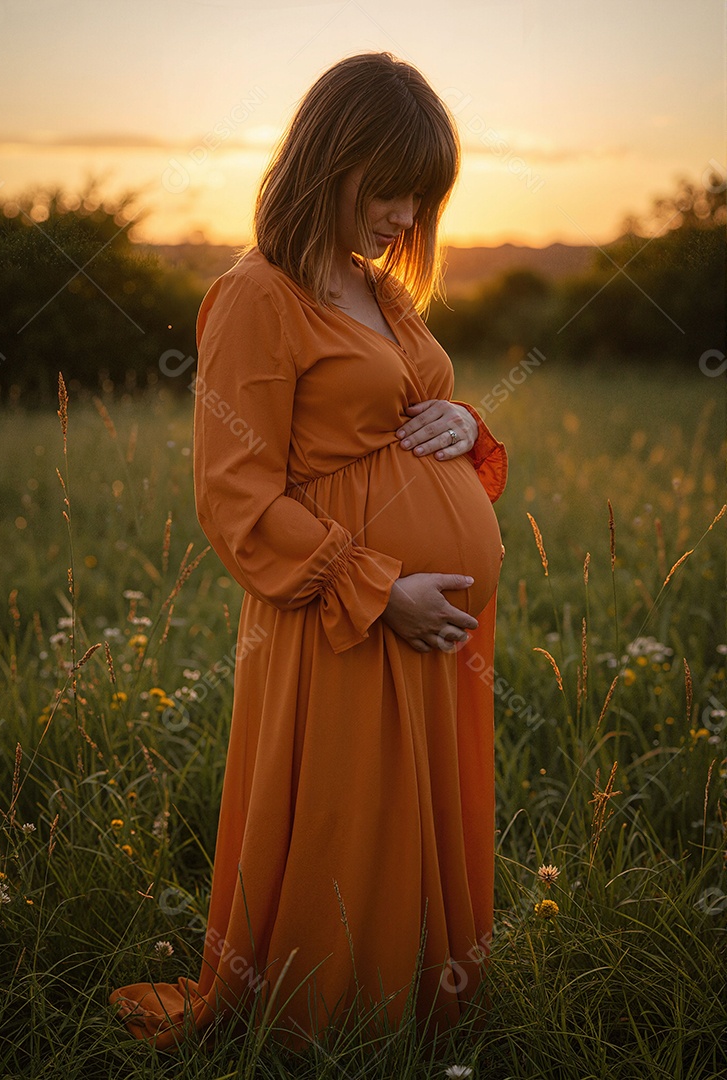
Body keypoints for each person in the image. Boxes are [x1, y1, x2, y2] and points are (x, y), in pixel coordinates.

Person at [109, 50, 508, 1054]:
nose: (405, 217)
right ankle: (328, 1023)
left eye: (422, 196)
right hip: (340, 618)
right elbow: (234, 494)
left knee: (411, 815)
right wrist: (375, 587)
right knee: (349, 817)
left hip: (425, 622)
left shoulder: (378, 288)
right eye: (388, 189)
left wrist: (465, 424)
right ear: (329, 161)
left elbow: (404, 416)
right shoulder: (259, 296)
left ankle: (416, 1009)